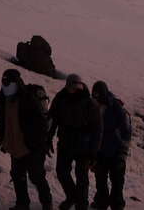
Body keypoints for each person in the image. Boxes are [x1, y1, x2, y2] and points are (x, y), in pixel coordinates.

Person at [0, 69, 53, 210]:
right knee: (17, 175)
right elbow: (0, 121)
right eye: (5, 83)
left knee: (36, 176)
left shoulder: (28, 99)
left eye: (9, 83)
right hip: (15, 145)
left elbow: (40, 124)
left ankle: (47, 203)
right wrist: (3, 140)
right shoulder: (2, 99)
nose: (6, 86)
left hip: (32, 146)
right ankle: (22, 204)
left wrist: (38, 144)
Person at [48, 74, 102, 210]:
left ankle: (81, 205)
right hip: (65, 142)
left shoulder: (90, 103)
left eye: (76, 85)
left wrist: (93, 152)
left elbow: (97, 130)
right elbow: (52, 118)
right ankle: (72, 196)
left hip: (83, 146)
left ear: (80, 85)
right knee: (61, 171)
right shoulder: (61, 98)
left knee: (82, 177)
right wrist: (48, 138)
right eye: (71, 85)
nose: (73, 88)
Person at [90, 81, 131, 210]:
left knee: (117, 183)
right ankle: (101, 203)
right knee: (100, 181)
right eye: (94, 95)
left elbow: (126, 131)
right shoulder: (93, 107)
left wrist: (123, 153)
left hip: (115, 152)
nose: (96, 98)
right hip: (100, 152)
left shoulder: (116, 108)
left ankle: (116, 206)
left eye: (98, 95)